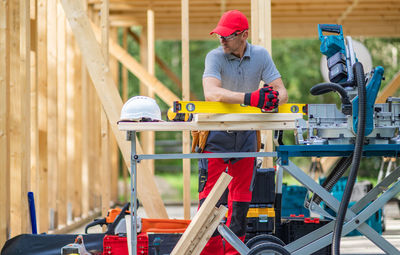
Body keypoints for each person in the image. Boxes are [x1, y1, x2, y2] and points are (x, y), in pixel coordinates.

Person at [198, 10, 288, 255]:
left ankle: (233, 252)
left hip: (247, 136)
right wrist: (251, 98)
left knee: (240, 202)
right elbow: (211, 93)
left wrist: (272, 100)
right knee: (210, 203)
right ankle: (210, 252)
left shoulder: (261, 56)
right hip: (215, 137)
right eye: (220, 35)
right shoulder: (214, 56)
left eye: (227, 36)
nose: (222, 40)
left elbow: (282, 92)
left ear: (244, 35)